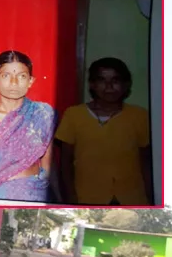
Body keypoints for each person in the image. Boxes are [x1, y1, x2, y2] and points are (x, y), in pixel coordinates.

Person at [55, 57, 152, 205]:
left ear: (126, 85)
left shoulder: (140, 116)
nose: (109, 87)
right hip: (86, 198)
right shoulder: (74, 115)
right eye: (101, 81)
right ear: (92, 85)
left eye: (115, 81)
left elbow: (146, 162)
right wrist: (70, 198)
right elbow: (65, 164)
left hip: (132, 198)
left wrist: (152, 197)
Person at [0, 50, 56, 202]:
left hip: (33, 193)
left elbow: (48, 164)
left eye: (21, 76)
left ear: (31, 81)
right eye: (6, 75)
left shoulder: (43, 114)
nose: (14, 82)